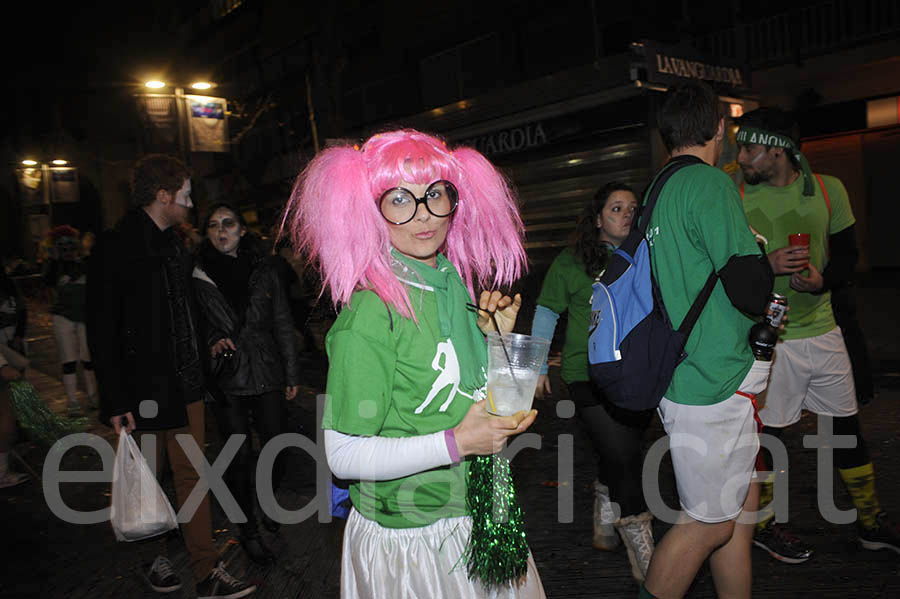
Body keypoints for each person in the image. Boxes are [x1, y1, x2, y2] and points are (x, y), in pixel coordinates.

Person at [284, 129, 545, 598]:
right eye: (399, 199)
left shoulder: (451, 281)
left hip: (483, 511)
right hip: (415, 541)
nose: (423, 215)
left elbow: (473, 400)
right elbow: (343, 456)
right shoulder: (371, 314)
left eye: (435, 194)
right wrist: (458, 442)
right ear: (369, 211)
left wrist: (497, 341)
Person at [86, 154, 255, 599]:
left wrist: (207, 346)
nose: (190, 201)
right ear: (163, 196)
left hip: (186, 386)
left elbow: (184, 315)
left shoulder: (177, 246)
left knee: (194, 477)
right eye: (184, 194)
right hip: (141, 391)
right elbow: (102, 330)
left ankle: (206, 570)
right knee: (148, 478)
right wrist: (115, 400)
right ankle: (152, 559)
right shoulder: (116, 246)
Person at [736, 107, 900, 562]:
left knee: (847, 428)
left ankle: (871, 523)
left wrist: (822, 280)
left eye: (748, 148)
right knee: (769, 436)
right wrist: (765, 266)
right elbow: (724, 268)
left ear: (777, 150)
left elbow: (849, 255)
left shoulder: (829, 190)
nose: (740, 156)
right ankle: (765, 525)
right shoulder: (735, 195)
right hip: (773, 338)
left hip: (825, 331)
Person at [640, 81, 775, 599]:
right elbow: (749, 288)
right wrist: (760, 252)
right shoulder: (711, 185)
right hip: (713, 377)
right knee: (709, 524)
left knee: (738, 516)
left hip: (682, 369)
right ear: (720, 127)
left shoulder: (660, 188)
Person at [531, 182, 655, 581]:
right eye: (616, 208)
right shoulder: (571, 262)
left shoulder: (646, 255)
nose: (626, 214)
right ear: (598, 217)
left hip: (636, 373)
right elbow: (547, 312)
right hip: (584, 374)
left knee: (618, 448)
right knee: (623, 456)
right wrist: (535, 367)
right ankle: (643, 551)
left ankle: (604, 513)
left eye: (633, 208)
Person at [193, 202, 300, 565]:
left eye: (228, 223)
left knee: (279, 445)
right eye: (212, 225)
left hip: (267, 370)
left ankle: (267, 502)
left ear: (241, 230)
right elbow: (193, 326)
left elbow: (283, 321)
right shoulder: (197, 275)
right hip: (227, 376)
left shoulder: (263, 270)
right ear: (206, 233)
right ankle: (249, 530)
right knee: (237, 458)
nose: (221, 230)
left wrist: (291, 372)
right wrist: (211, 342)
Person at [43, 225, 98, 414]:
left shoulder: (85, 264)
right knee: (69, 360)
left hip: (83, 316)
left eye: (70, 246)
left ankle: (93, 396)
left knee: (88, 358)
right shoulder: (54, 267)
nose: (67, 251)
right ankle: (72, 400)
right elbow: (48, 289)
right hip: (63, 317)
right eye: (63, 247)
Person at [0, 268, 29, 488]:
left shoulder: (9, 284)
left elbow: (22, 310)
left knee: (9, 421)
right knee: (6, 423)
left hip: (9, 348)